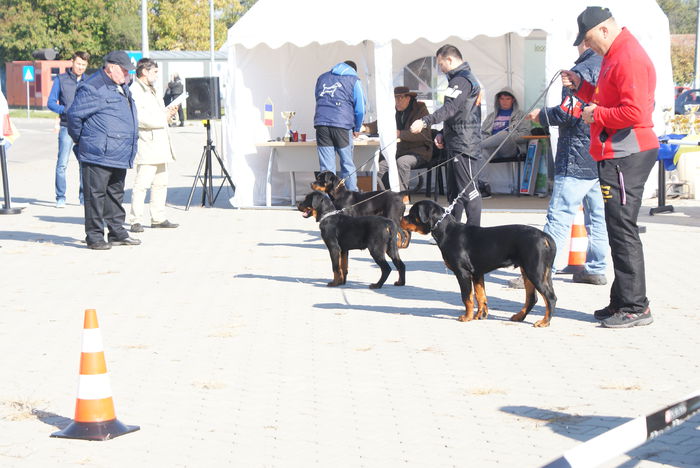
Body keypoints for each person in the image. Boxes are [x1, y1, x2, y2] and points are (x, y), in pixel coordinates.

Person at [562, 7, 659, 328]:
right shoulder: (616, 54)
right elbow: (608, 98)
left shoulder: (627, 57)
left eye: (589, 40)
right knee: (618, 226)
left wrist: (596, 115)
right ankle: (622, 300)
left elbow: (633, 112)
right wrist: (581, 86)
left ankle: (635, 306)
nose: (587, 47)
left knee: (623, 228)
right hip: (616, 151)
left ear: (604, 30)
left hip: (626, 152)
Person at [509, 44, 608, 289]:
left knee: (559, 216)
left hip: (574, 157)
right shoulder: (607, 67)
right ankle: (597, 268)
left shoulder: (580, 71)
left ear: (583, 43)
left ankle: (539, 271)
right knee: (597, 217)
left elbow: (568, 113)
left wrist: (541, 115)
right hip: (600, 154)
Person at [67, 50, 141, 250]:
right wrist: (83, 141)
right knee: (95, 196)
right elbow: (74, 117)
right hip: (97, 153)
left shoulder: (122, 86)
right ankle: (95, 236)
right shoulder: (92, 87)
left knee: (115, 195)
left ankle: (117, 232)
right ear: (111, 68)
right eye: (125, 71)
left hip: (119, 153)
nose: (128, 75)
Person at [410, 44, 483, 225]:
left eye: (441, 64)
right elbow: (459, 113)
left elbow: (450, 109)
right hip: (456, 139)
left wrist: (425, 121)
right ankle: (451, 230)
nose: (440, 69)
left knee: (468, 191)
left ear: (450, 60)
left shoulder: (462, 80)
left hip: (464, 143)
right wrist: (443, 132)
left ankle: (475, 234)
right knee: (454, 191)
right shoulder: (458, 79)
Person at [128, 58, 179, 233]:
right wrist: (162, 119)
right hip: (147, 143)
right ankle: (135, 219)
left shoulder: (154, 90)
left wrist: (169, 113)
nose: (157, 76)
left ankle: (158, 217)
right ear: (144, 72)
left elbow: (159, 113)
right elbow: (139, 118)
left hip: (160, 142)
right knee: (142, 184)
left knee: (161, 183)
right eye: (155, 72)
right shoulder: (135, 90)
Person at [361, 86, 432, 197]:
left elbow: (424, 135)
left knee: (402, 162)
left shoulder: (421, 110)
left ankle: (402, 197)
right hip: (398, 151)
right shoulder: (392, 110)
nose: (397, 101)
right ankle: (384, 197)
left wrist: (400, 134)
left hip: (419, 151)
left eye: (400, 98)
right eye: (394, 98)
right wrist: (363, 128)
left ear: (408, 98)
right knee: (380, 165)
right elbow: (378, 125)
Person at [313, 60, 366, 191]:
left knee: (326, 167)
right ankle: (352, 197)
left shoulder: (322, 77)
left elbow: (318, 98)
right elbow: (360, 108)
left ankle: (326, 201)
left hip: (321, 124)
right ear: (354, 70)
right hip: (342, 125)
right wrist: (357, 128)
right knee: (347, 163)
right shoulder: (354, 80)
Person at [47, 51, 90, 208]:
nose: (80, 67)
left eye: (84, 65)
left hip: (85, 129)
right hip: (66, 127)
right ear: (72, 62)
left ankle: (83, 197)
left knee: (84, 164)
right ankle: (60, 197)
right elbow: (51, 103)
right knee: (62, 164)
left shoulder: (89, 81)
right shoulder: (61, 79)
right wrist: (65, 110)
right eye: (78, 64)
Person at [480, 87, 531, 196]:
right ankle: (484, 186)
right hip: (492, 148)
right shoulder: (491, 116)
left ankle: (475, 146)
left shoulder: (521, 115)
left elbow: (526, 134)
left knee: (504, 134)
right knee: (482, 152)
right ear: (498, 100)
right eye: (502, 99)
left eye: (507, 99)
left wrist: (510, 136)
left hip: (510, 147)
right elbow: (483, 133)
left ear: (513, 100)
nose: (504, 101)